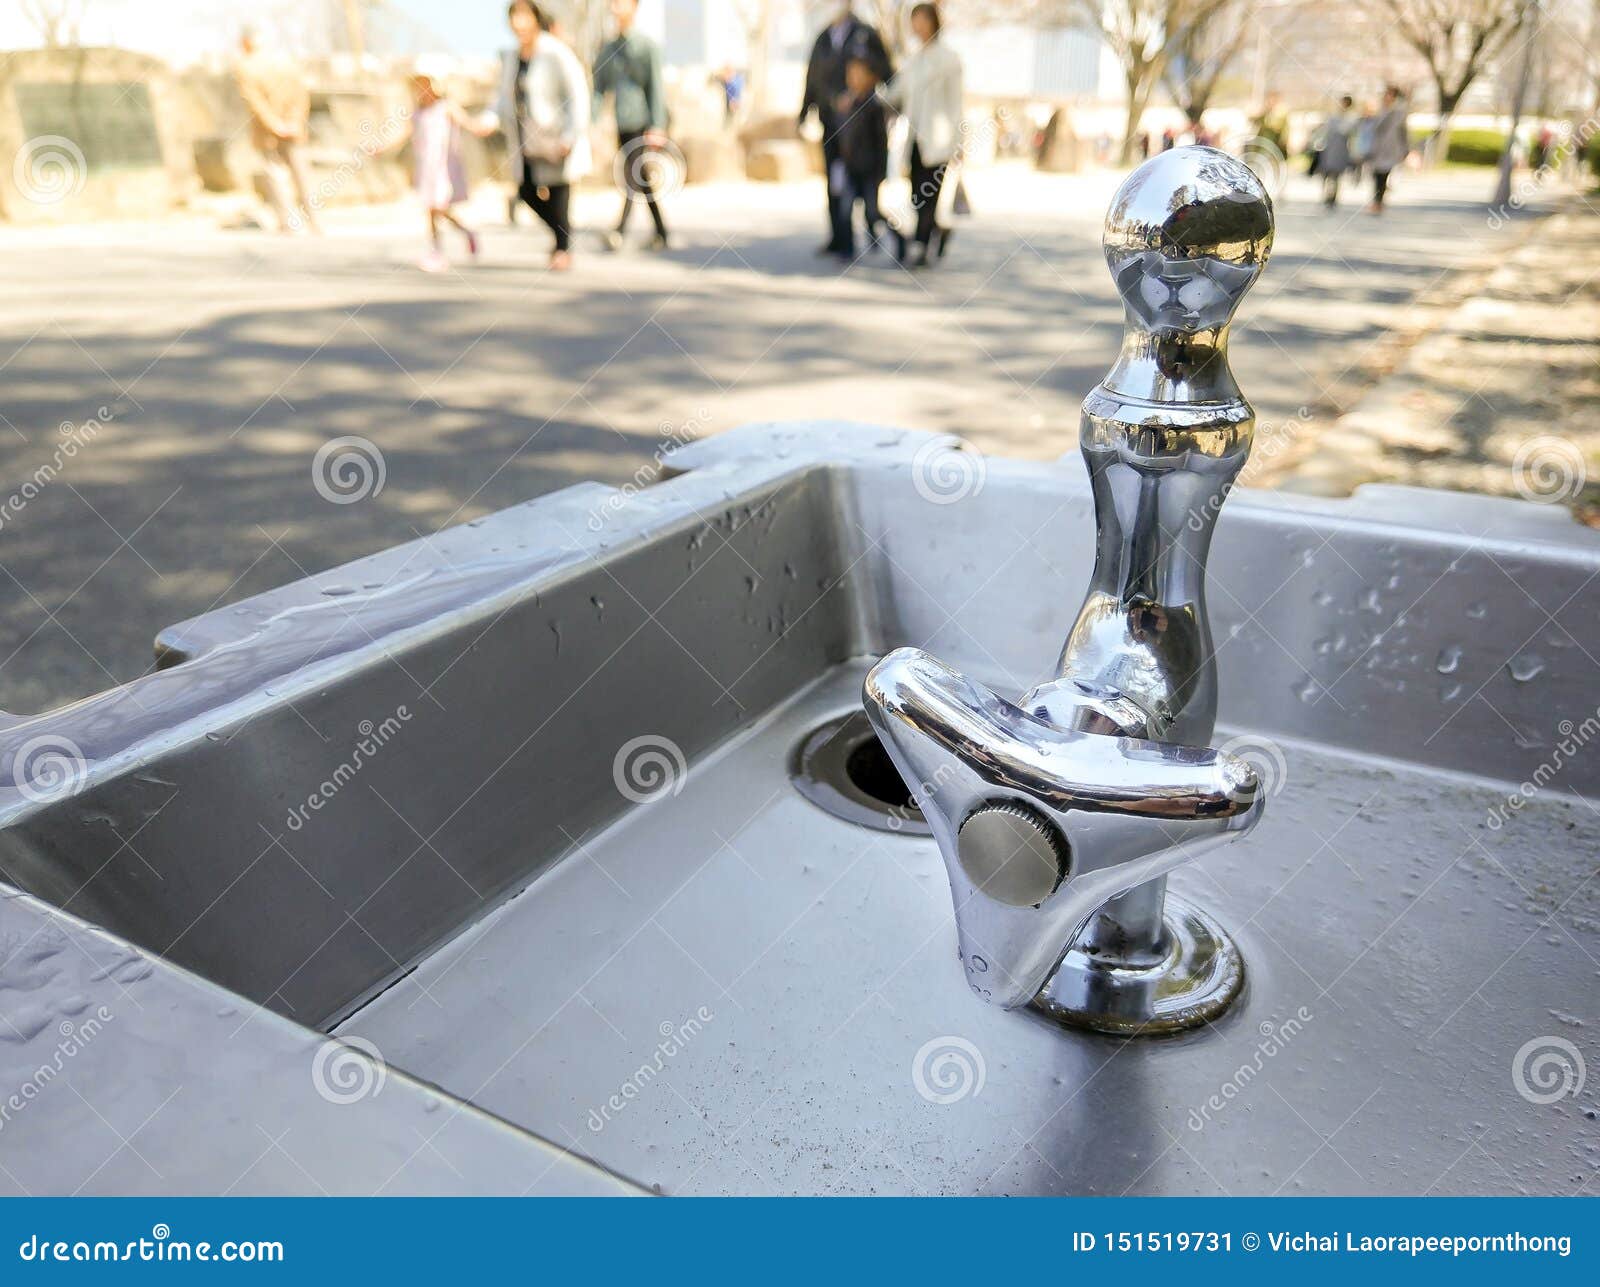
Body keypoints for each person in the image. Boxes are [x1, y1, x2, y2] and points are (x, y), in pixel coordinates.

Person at [497, 0, 591, 271]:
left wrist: (571, 134)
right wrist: (488, 120)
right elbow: (504, 98)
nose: (518, 22)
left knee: (560, 189)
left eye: (524, 15)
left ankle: (563, 248)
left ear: (536, 18)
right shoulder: (513, 57)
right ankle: (563, 236)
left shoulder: (555, 52)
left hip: (555, 135)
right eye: (514, 16)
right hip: (525, 138)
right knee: (526, 190)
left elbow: (577, 94)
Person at [799, 4, 892, 259]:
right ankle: (840, 237)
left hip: (861, 123)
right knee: (835, 182)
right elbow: (812, 76)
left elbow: (887, 72)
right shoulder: (823, 37)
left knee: (865, 187)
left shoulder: (866, 34)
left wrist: (861, 91)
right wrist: (804, 110)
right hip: (831, 122)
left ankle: (874, 229)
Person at [384, 64, 495, 272]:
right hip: (426, 167)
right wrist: (381, 147)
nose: (421, 90)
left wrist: (482, 127)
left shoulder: (446, 107)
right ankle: (456, 239)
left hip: (444, 167)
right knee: (432, 209)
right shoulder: (418, 113)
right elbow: (403, 135)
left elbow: (468, 123)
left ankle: (440, 249)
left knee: (437, 208)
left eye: (425, 84)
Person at [880, 2, 963, 268]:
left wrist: (958, 141)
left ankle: (920, 247)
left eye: (922, 20)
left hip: (939, 140)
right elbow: (896, 94)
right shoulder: (913, 60)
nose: (918, 26)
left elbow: (956, 102)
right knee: (917, 194)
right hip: (915, 139)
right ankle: (938, 231)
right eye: (914, 20)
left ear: (934, 22)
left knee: (929, 194)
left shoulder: (949, 59)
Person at [593, 0, 670, 251]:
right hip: (621, 122)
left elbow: (656, 88)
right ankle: (661, 230)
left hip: (642, 122)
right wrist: (593, 123)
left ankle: (620, 230)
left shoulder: (646, 47)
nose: (616, 7)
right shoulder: (609, 49)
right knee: (641, 177)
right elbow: (598, 88)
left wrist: (658, 124)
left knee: (632, 174)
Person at [234, 29, 320, 234]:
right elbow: (301, 93)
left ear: (245, 42)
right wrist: (295, 121)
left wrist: (274, 125)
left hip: (268, 132)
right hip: (294, 128)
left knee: (276, 175)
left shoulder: (245, 67)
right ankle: (315, 221)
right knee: (303, 175)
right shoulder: (287, 62)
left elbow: (254, 101)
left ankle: (288, 223)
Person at [832, 57, 889, 258]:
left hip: (870, 169)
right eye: (851, 74)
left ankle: (897, 237)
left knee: (873, 212)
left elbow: (882, 143)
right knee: (845, 209)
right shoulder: (847, 103)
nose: (854, 79)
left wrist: (882, 172)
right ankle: (847, 249)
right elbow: (841, 135)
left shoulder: (874, 106)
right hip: (850, 167)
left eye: (859, 74)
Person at [1365, 85, 1409, 214]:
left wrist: (1406, 149)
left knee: (1383, 176)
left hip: (1391, 149)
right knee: (1375, 175)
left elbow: (1404, 132)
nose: (1387, 97)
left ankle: (1378, 203)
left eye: (1390, 94)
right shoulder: (1379, 110)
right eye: (1386, 94)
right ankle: (1377, 200)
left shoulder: (1399, 112)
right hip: (1377, 148)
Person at [1315, 95, 1356, 208]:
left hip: (1340, 151)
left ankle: (1333, 197)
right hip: (1330, 149)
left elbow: (1346, 132)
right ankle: (1326, 194)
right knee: (1326, 174)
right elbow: (1326, 131)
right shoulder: (1333, 117)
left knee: (1336, 175)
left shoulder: (1350, 119)